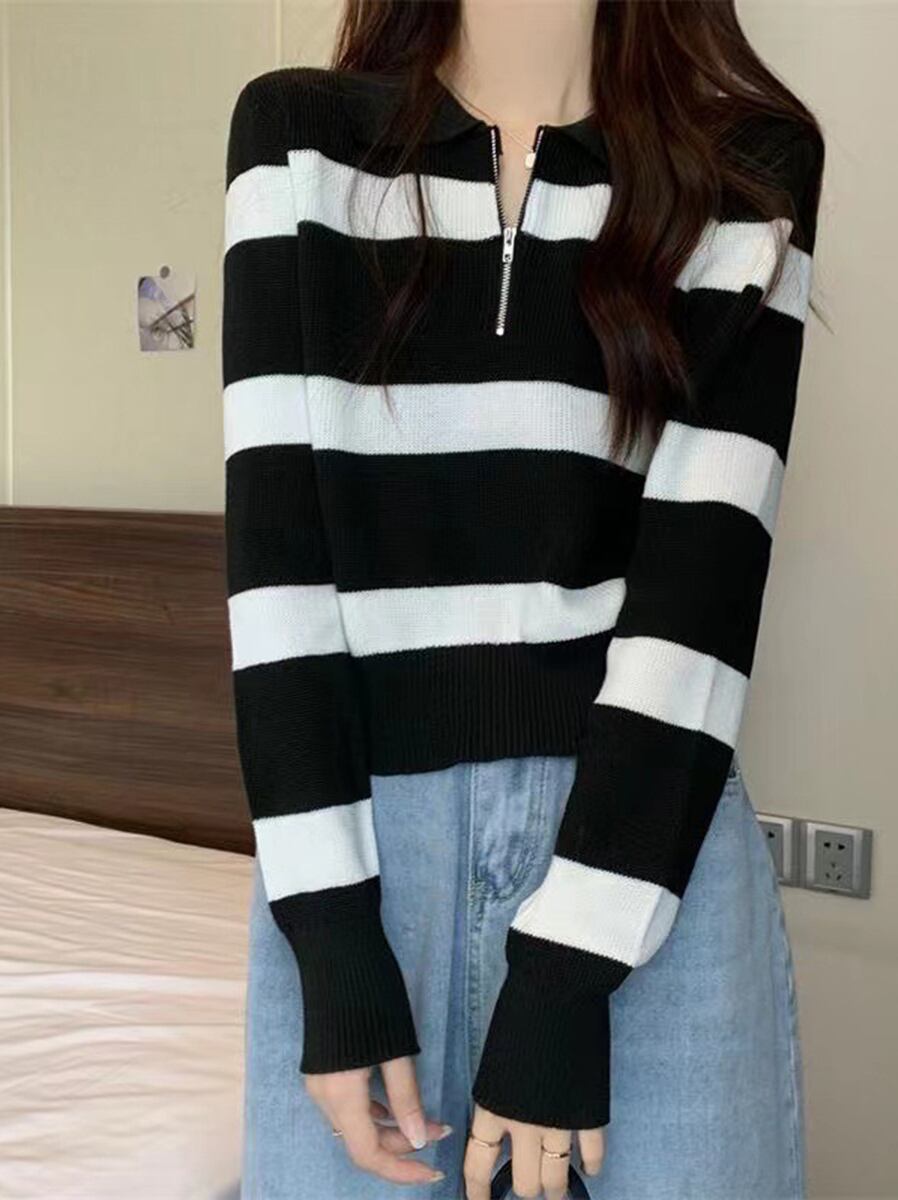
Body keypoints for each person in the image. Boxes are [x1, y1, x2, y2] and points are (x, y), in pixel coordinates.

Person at [221, 2, 825, 1196]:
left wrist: (567, 972)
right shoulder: (296, 135)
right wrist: (331, 935)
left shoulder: (746, 163)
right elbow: (279, 563)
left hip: (642, 853)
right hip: (360, 854)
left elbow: (702, 584)